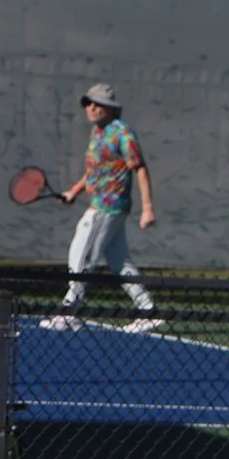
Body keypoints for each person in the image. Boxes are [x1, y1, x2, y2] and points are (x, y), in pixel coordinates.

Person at [42, 83, 162, 333]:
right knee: (120, 262)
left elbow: (139, 168)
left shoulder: (122, 133)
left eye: (97, 104)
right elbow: (95, 171)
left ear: (110, 108)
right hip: (101, 204)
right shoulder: (97, 133)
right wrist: (74, 190)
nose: (92, 108)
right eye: (89, 104)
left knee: (81, 254)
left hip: (109, 206)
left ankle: (70, 311)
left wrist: (148, 208)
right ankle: (148, 311)